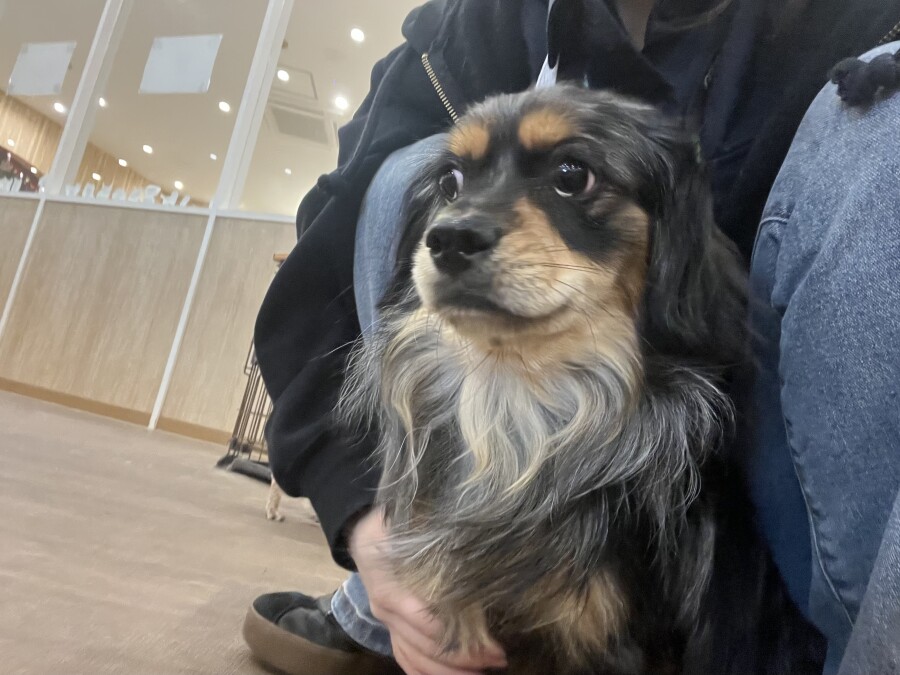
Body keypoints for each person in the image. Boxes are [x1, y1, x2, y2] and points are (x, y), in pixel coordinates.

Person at [247, 1, 900, 674]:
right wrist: (363, 518)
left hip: (751, 430)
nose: (459, 227)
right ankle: (413, 582)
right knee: (399, 170)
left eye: (569, 178)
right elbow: (318, 271)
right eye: (456, 186)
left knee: (887, 112)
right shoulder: (475, 19)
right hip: (504, 410)